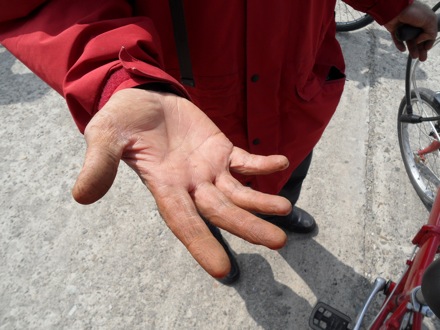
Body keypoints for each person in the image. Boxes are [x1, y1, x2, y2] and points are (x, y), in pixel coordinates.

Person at [0, 0, 437, 284]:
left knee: (290, 166)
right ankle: (216, 229)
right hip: (191, 101)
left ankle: (281, 207)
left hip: (297, 83)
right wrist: (116, 74)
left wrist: (389, 4)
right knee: (201, 190)